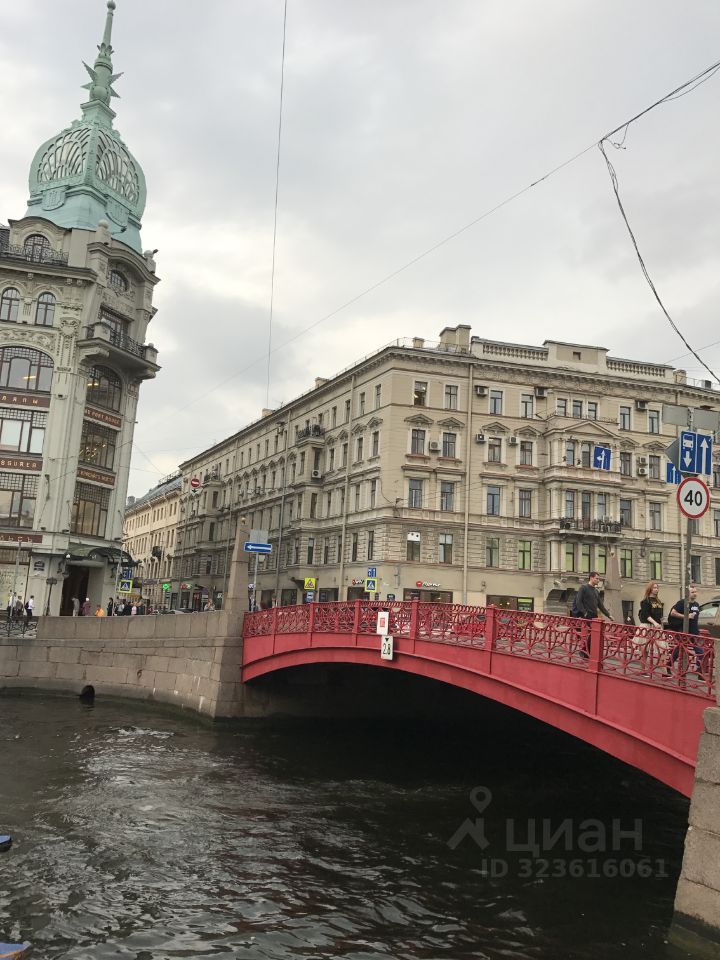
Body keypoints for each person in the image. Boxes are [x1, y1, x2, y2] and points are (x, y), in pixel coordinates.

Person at [667, 584, 704, 679]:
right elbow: (673, 613)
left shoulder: (696, 604)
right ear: (687, 593)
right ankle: (668, 665)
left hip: (694, 632)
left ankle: (699, 673)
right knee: (679, 650)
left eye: (695, 592)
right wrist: (686, 616)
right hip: (684, 631)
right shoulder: (682, 602)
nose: (695, 594)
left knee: (701, 652)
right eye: (692, 592)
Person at [571, 572, 612, 658]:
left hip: (594, 616)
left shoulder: (596, 591)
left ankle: (586, 651)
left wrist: (608, 615)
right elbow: (578, 602)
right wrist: (585, 613)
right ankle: (585, 651)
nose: (598, 580)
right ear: (591, 578)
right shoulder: (583, 588)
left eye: (598, 579)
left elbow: (600, 605)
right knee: (593, 633)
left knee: (594, 634)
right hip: (587, 615)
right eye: (597, 578)